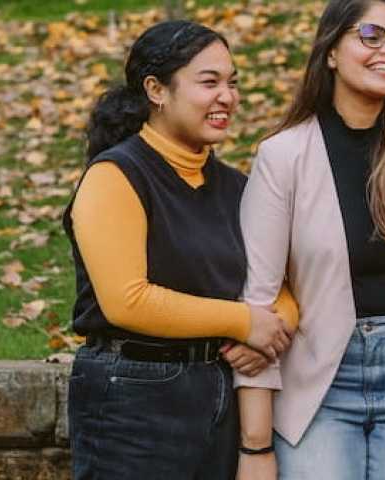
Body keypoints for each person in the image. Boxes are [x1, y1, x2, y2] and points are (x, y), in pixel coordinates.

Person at [233, 1, 385, 479]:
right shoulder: (281, 156)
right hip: (316, 386)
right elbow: (257, 301)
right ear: (330, 51)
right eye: (371, 35)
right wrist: (255, 445)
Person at [62, 20, 297, 479]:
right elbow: (127, 300)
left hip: (220, 393)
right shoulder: (116, 175)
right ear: (156, 90)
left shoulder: (237, 187)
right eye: (209, 82)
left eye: (232, 83)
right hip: (131, 395)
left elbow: (281, 290)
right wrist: (244, 322)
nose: (227, 97)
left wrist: (272, 332)